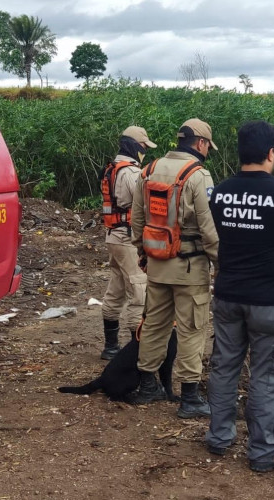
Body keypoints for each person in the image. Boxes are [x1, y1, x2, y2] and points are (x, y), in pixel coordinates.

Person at [205, 120, 274, 472]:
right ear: (271, 153)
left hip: (228, 294)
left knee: (224, 367)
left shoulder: (219, 192)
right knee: (267, 376)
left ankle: (219, 438)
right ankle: (263, 452)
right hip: (270, 300)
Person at [130, 118, 219, 418]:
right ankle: (190, 397)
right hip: (190, 268)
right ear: (201, 143)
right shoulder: (198, 175)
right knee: (193, 328)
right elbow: (209, 229)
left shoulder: (149, 169)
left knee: (154, 323)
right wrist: (221, 263)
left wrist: (143, 252)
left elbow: (138, 218)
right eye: (208, 146)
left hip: (157, 264)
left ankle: (147, 387)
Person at [99, 126, 157, 359]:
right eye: (143, 147)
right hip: (127, 239)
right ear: (134, 146)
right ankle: (137, 351)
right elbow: (145, 202)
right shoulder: (131, 173)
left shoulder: (111, 169)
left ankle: (110, 346)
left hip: (113, 236)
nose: (144, 151)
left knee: (116, 289)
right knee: (139, 290)